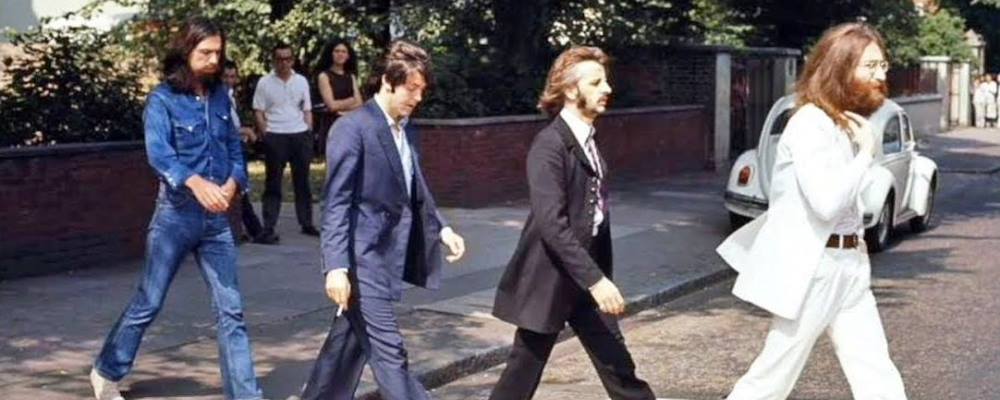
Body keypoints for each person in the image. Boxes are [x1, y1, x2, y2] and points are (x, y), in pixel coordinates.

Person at [716, 22, 908, 400]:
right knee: (773, 375)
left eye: (882, 65)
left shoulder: (842, 123)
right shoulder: (809, 124)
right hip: (815, 267)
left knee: (873, 366)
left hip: (849, 262)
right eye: (871, 66)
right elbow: (826, 203)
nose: (881, 76)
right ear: (840, 67)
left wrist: (857, 243)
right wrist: (867, 153)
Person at [89, 17, 263, 400]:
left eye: (218, 53)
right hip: (175, 218)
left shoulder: (221, 97)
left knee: (231, 311)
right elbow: (160, 155)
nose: (214, 60)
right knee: (149, 301)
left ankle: (246, 395)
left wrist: (234, 183)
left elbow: (235, 149)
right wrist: (197, 183)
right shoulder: (162, 100)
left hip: (216, 222)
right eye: (205, 52)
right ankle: (106, 369)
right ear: (186, 51)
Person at [296, 39, 467, 400]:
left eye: (422, 89)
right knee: (390, 352)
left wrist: (443, 228)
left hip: (385, 256)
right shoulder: (353, 128)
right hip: (362, 260)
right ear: (388, 82)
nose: (418, 97)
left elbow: (414, 186)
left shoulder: (402, 128)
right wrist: (336, 267)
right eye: (411, 88)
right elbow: (336, 203)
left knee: (344, 351)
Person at [488, 46, 656, 400]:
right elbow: (552, 223)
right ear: (569, 89)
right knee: (521, 374)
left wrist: (594, 275)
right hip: (550, 277)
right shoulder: (549, 146)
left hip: (582, 276)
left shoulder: (588, 139)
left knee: (618, 367)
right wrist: (596, 280)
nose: (607, 89)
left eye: (605, 81)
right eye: (595, 83)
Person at [253, 43, 317, 243]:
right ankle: (269, 225)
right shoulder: (265, 82)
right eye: (279, 59)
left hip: (299, 134)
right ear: (274, 61)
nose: (284, 63)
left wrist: (308, 131)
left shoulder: (301, 81)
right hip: (275, 135)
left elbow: (307, 109)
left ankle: (307, 222)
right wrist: (266, 133)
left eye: (287, 59)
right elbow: (258, 110)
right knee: (273, 183)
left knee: (302, 182)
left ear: (293, 60)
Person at [222, 60, 264, 242]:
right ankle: (255, 230)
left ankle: (247, 229)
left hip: (237, 145)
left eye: (232, 77)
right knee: (239, 187)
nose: (229, 81)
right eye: (225, 77)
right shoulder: (218, 98)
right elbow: (222, 127)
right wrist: (245, 131)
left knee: (241, 188)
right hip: (228, 148)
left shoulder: (230, 96)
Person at [314, 38, 364, 155]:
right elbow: (331, 105)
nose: (340, 54)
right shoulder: (324, 76)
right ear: (331, 53)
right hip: (332, 126)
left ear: (348, 56)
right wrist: (351, 100)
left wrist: (343, 110)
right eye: (337, 51)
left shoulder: (351, 76)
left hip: (351, 124)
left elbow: (360, 103)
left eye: (343, 51)